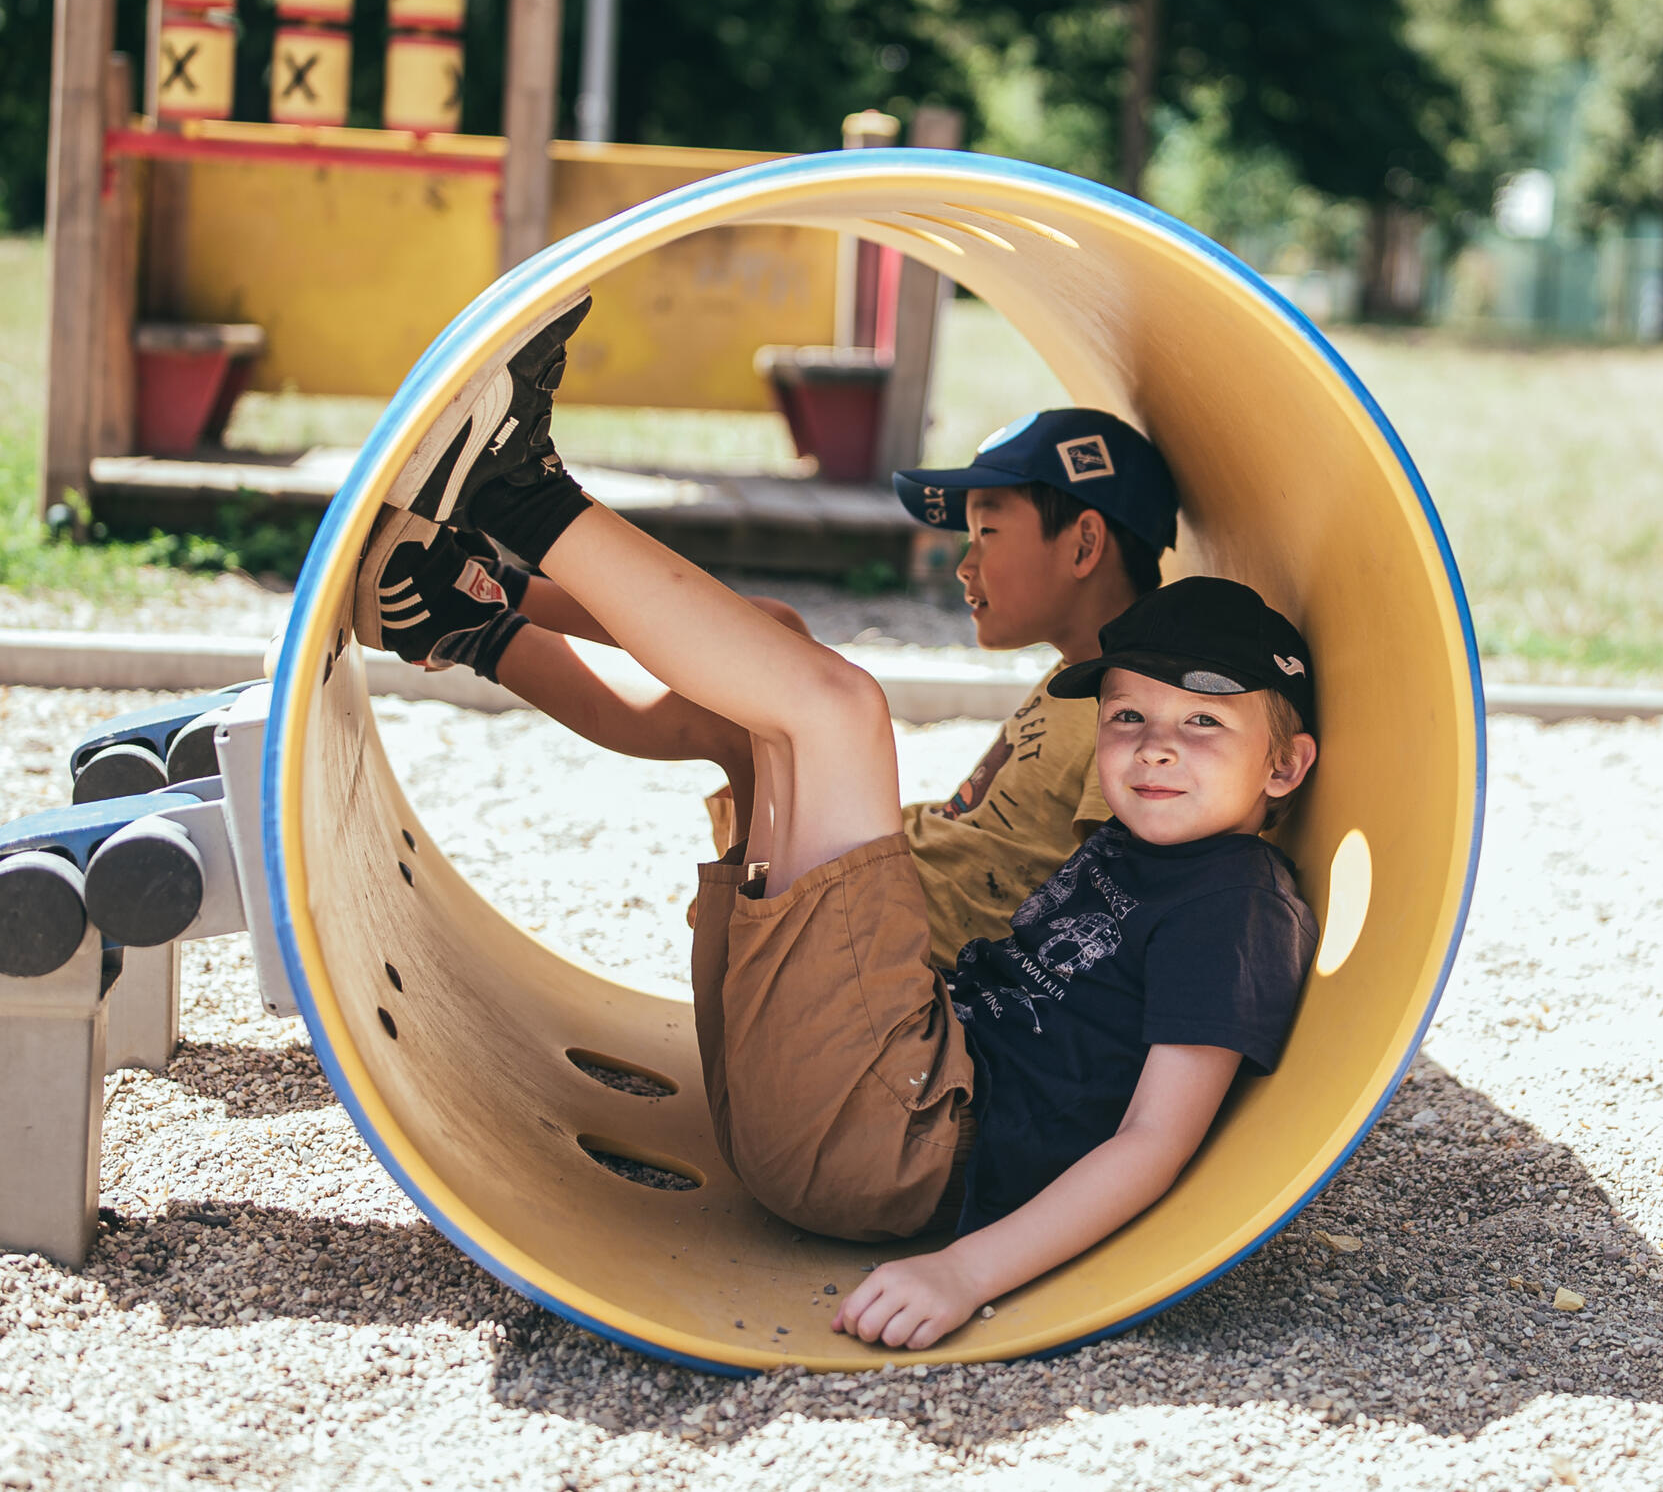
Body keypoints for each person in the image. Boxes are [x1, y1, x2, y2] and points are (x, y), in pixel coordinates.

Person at [358, 294, 1321, 1351]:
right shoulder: (1115, 780)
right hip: (858, 1078)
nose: (1152, 747)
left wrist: (966, 1272)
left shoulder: (1231, 898)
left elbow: (1152, 1141)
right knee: (780, 680)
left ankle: (520, 494)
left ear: (1286, 763)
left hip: (891, 1121)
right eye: (1129, 719)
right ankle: (468, 609)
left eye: (1201, 723)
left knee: (836, 706)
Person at [357, 311, 1180, 970]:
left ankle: (513, 516)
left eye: (988, 532)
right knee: (771, 645)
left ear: (1084, 543)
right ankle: (474, 603)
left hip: (883, 969)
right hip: (878, 915)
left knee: (797, 689)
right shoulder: (1079, 679)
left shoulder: (1141, 711)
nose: (965, 564)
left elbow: (1115, 908)